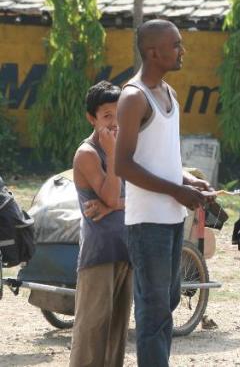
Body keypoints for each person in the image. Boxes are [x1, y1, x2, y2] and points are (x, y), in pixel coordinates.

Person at [115, 19, 211, 367]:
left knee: (166, 302)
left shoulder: (168, 93)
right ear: (153, 52)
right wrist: (176, 189)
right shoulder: (132, 97)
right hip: (147, 222)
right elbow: (123, 165)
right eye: (176, 45)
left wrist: (187, 181)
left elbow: (162, 156)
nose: (182, 50)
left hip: (172, 216)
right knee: (154, 310)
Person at [70, 81, 132, 367]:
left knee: (116, 334)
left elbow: (135, 196)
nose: (115, 122)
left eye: (119, 114)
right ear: (91, 118)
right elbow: (109, 193)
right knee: (91, 333)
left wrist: (115, 205)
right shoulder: (89, 153)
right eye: (107, 116)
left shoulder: (125, 145)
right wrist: (111, 153)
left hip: (126, 250)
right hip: (98, 255)